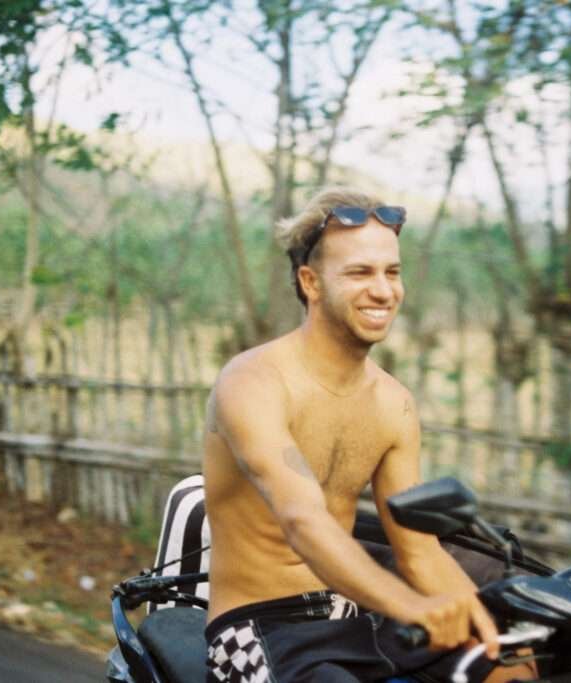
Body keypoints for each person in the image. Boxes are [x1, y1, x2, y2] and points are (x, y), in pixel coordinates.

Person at [202, 187, 535, 683]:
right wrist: (408, 605)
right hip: (258, 627)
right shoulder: (254, 381)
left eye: (391, 272)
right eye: (360, 272)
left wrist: (487, 630)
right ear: (311, 282)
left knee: (509, 669)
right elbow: (302, 521)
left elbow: (418, 550)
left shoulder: (393, 403)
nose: (383, 291)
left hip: (354, 617)